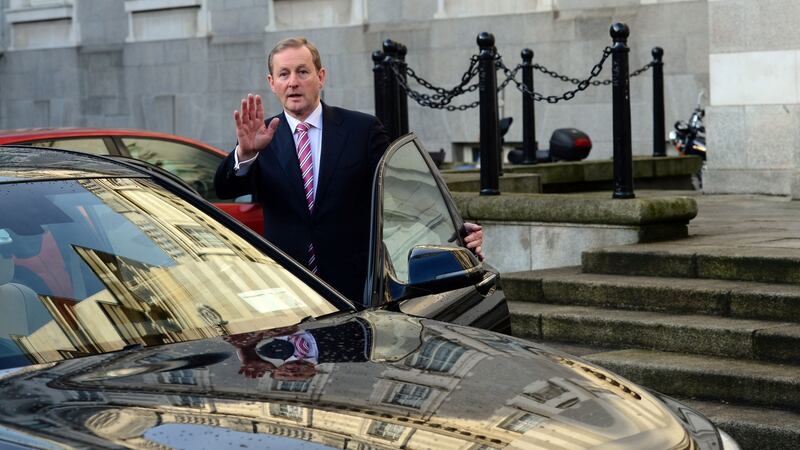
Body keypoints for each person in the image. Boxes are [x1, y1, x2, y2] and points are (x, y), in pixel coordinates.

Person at [214, 37, 483, 303]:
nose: (293, 82)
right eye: (283, 74)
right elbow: (225, 188)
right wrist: (245, 153)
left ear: (321, 77)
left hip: (353, 291)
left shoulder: (362, 130)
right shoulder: (261, 138)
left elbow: (403, 189)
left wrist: (456, 230)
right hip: (290, 289)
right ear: (272, 83)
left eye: (303, 71)